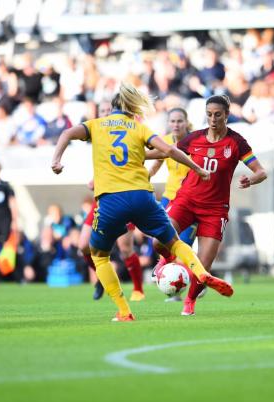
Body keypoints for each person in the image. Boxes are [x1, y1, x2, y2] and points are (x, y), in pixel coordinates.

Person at [51, 82, 233, 322]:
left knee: (99, 255)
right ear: (131, 108)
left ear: (113, 108)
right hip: (142, 197)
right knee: (174, 242)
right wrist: (197, 168)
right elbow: (169, 150)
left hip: (110, 200)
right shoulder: (139, 128)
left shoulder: (95, 125)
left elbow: (66, 133)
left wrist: (56, 160)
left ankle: (124, 311)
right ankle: (200, 272)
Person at [153, 95, 267, 316]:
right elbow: (165, 152)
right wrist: (137, 155)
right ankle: (167, 260)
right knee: (158, 241)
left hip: (215, 210)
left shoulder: (236, 142)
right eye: (209, 114)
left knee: (203, 265)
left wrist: (251, 179)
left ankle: (189, 302)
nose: (213, 119)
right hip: (186, 200)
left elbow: (261, 171)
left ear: (226, 114)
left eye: (217, 114)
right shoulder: (193, 138)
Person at [149, 107, 198, 302]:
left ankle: (193, 280)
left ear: (186, 122)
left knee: (183, 245)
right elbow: (155, 165)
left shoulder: (196, 142)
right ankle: (169, 278)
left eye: (180, 121)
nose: (176, 124)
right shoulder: (165, 141)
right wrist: (143, 177)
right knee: (165, 240)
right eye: (173, 121)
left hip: (191, 199)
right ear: (169, 123)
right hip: (169, 198)